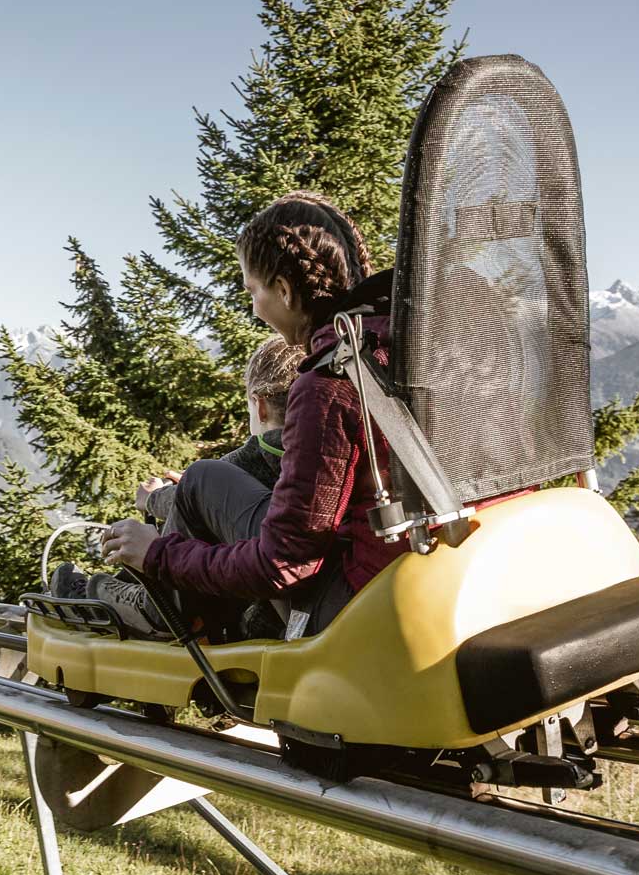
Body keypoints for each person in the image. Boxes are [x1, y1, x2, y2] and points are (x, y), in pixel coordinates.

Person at [66, 191, 400, 640]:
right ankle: (164, 604)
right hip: (432, 572)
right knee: (205, 479)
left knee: (203, 482)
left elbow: (281, 565)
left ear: (283, 289)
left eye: (254, 291)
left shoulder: (328, 385)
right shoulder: (409, 347)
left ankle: (158, 611)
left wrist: (155, 554)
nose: (255, 307)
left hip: (356, 605)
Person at [136, 334, 303, 528]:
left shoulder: (257, 455)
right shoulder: (329, 448)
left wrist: (151, 497)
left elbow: (188, 499)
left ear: (260, 407)